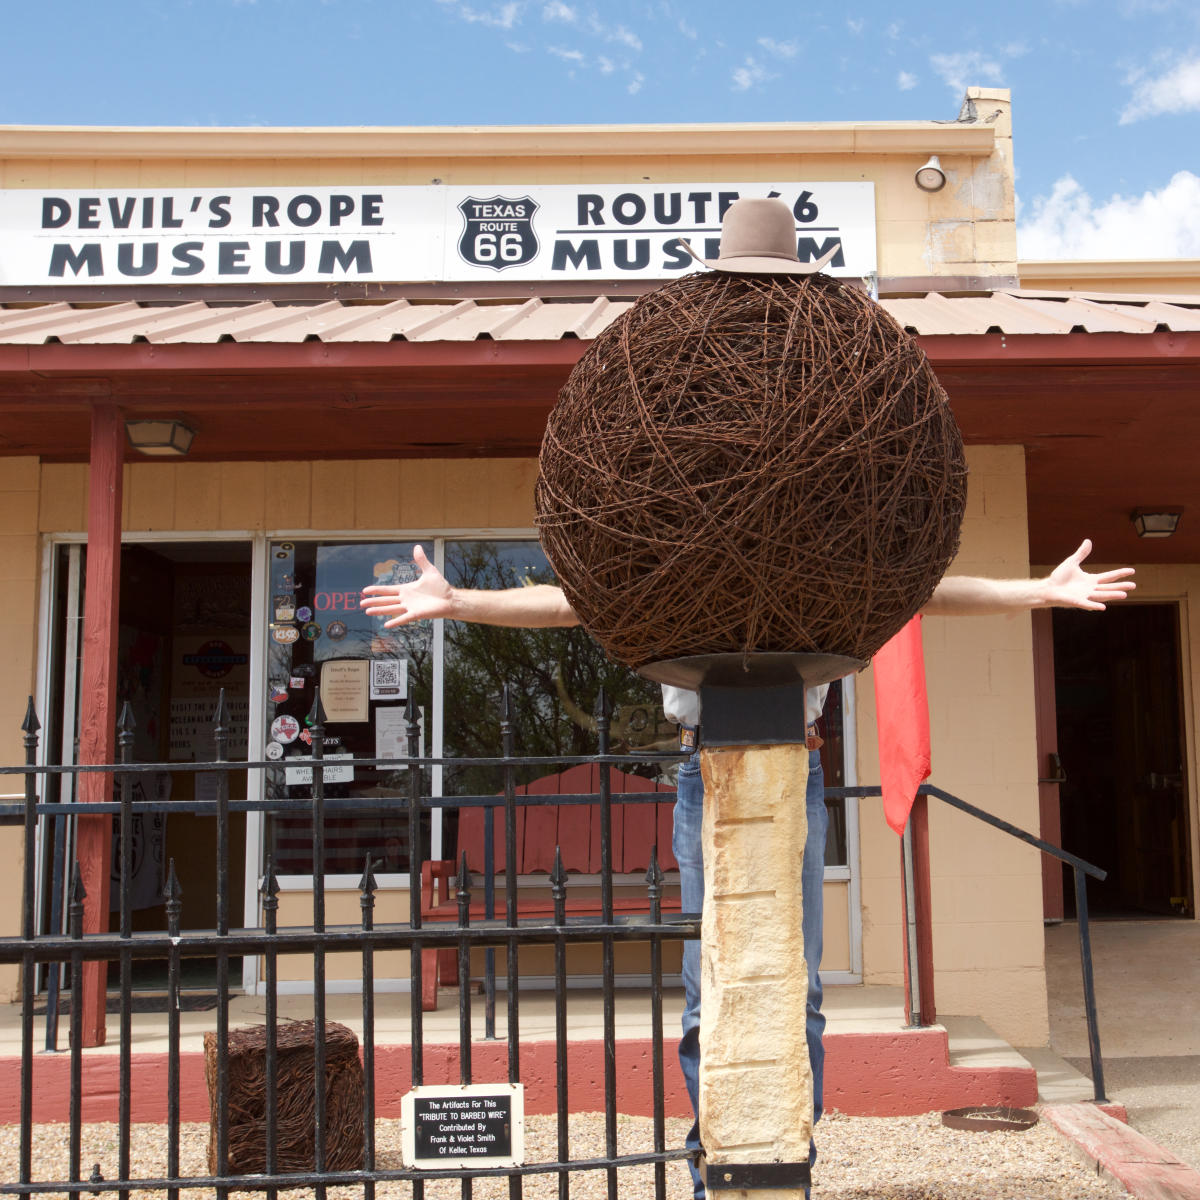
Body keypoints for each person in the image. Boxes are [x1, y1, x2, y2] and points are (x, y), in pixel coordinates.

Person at [362, 538, 1134, 1197]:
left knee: (796, 989)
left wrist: (1041, 589)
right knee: (712, 991)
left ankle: (787, 1163)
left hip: (797, 763)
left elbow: (927, 592)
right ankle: (717, 1168)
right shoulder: (677, 566)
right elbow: (570, 602)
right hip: (707, 768)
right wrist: (457, 600)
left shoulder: (821, 564)